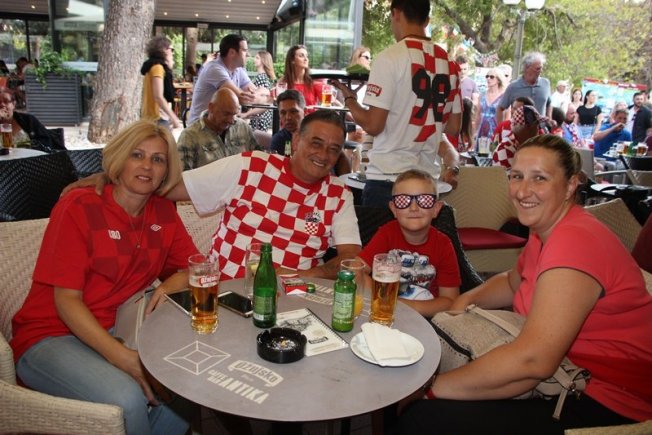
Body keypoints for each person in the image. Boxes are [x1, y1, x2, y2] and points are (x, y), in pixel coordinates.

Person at [398, 134, 652, 434]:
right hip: (564, 373)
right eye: (517, 176)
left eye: (539, 178)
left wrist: (429, 389)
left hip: (609, 397)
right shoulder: (545, 230)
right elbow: (511, 282)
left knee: (422, 417)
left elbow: (534, 361)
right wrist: (460, 304)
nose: (522, 191)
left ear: (571, 185)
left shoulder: (574, 242)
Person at [11, 120, 198, 435]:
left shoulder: (163, 212)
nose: (147, 166)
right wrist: (122, 358)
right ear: (120, 159)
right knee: (127, 399)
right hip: (49, 335)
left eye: (158, 159)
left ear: (167, 170)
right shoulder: (79, 206)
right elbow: (66, 301)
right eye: (137, 155)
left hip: (119, 327)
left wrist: (170, 284)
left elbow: (196, 268)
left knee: (189, 376)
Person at [173, 110, 360, 280]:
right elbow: (174, 189)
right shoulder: (252, 165)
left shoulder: (339, 194)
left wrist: (303, 275)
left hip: (293, 295)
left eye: (333, 149)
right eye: (316, 143)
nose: (323, 155)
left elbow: (351, 258)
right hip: (225, 288)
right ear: (296, 140)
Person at [331, 0, 462, 207]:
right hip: (426, 182)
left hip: (387, 178)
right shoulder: (449, 64)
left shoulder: (389, 58)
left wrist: (350, 100)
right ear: (427, 20)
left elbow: (373, 125)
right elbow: (454, 127)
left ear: (396, 13)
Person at [357, 169, 460, 318]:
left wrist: (401, 305)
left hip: (425, 319)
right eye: (403, 201)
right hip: (383, 313)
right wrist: (383, 299)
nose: (413, 208)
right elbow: (356, 269)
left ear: (436, 209)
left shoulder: (443, 245)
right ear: (393, 209)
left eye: (424, 200)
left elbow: (450, 301)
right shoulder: (387, 234)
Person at [176, 88, 260, 170]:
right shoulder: (190, 136)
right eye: (226, 114)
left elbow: (257, 158)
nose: (231, 120)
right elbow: (182, 175)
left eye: (234, 114)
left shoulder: (242, 128)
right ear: (211, 108)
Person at [188, 34, 257, 124]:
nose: (248, 54)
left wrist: (263, 95)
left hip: (223, 124)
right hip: (202, 126)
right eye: (244, 50)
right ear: (232, 52)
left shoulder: (238, 70)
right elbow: (241, 98)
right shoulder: (214, 69)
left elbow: (255, 93)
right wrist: (259, 97)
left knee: (255, 132)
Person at [0, 87, 64, 150]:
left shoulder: (28, 120)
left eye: (6, 101)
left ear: (13, 104)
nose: (2, 105)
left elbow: (45, 141)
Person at [496, 52, 551, 123]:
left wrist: (549, 120)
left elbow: (549, 103)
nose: (541, 71)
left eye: (541, 68)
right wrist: (501, 127)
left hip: (541, 129)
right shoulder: (513, 87)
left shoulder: (545, 83)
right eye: (538, 68)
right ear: (527, 68)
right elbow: (500, 108)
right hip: (519, 129)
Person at [140, 36, 181, 129]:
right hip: (158, 117)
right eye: (171, 49)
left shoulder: (151, 66)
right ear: (164, 50)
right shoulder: (158, 68)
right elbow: (158, 96)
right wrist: (173, 117)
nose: (172, 53)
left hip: (152, 116)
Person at [492, 105, 546, 170]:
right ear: (528, 128)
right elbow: (513, 177)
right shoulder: (505, 149)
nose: (539, 129)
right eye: (537, 125)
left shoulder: (525, 145)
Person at [278, 45, 326, 110]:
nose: (306, 59)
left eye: (307, 56)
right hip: (289, 116)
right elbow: (276, 101)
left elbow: (329, 102)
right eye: (301, 56)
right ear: (292, 60)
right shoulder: (283, 82)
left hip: (310, 116)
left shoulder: (314, 82)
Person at [241, 50, 276, 132]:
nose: (254, 60)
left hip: (259, 115)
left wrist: (247, 114)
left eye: (257, 58)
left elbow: (260, 98)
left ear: (263, 61)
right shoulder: (264, 76)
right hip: (261, 113)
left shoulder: (261, 77)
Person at [475, 68, 506, 151]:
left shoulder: (504, 96)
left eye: (492, 77)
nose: (488, 78)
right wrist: (474, 132)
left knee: (493, 153)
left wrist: (503, 135)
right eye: (487, 76)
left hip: (496, 131)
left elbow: (507, 118)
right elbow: (478, 115)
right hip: (482, 131)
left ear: (498, 80)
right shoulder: (482, 94)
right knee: (480, 153)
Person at [270, 89, 305, 155]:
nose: (288, 117)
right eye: (283, 113)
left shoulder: (315, 136)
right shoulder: (278, 140)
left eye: (293, 112)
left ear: (304, 111)